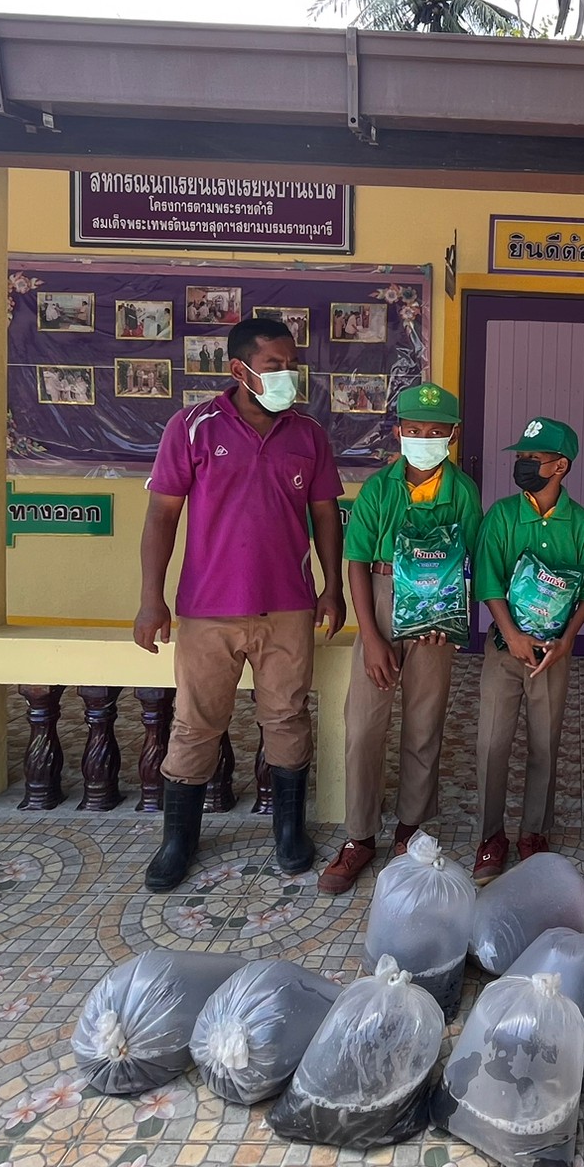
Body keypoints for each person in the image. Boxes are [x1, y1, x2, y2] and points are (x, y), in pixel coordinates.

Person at [133, 314, 346, 891]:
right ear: (239, 369)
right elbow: (161, 516)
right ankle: (178, 841)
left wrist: (332, 587)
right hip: (207, 608)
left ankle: (289, 831)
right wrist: (151, 600)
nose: (287, 375)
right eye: (274, 365)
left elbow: (326, 516)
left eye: (292, 365)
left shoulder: (308, 434)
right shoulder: (192, 427)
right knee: (196, 724)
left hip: (289, 607)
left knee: (287, 717)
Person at [318, 382, 483, 894]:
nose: (425, 439)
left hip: (437, 611)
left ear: (453, 435)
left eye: (436, 432)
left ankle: (411, 828)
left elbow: (470, 560)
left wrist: (450, 617)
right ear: (398, 433)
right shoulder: (378, 489)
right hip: (382, 600)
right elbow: (357, 562)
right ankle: (359, 835)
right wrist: (370, 636)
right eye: (415, 430)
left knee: (424, 723)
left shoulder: (463, 491)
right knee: (364, 726)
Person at [472, 416, 584, 881]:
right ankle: (491, 836)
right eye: (521, 457)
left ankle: (534, 831)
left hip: (552, 655)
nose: (523, 464)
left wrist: (568, 639)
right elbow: (488, 579)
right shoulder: (502, 516)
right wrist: (510, 634)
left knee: (544, 744)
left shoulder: (582, 524)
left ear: (560, 466)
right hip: (503, 650)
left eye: (534, 458)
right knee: (492, 743)